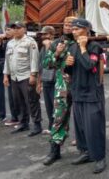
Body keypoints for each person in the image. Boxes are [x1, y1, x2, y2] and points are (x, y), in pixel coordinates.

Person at [66, 18, 106, 174]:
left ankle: (99, 157)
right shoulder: (72, 47)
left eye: (77, 29)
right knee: (81, 127)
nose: (73, 31)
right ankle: (85, 153)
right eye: (73, 29)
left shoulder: (94, 46)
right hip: (77, 91)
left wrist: (83, 48)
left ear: (86, 30)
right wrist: (67, 65)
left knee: (94, 127)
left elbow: (89, 65)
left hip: (91, 93)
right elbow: (70, 71)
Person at [42, 16, 76, 166]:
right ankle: (54, 151)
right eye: (66, 23)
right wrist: (56, 53)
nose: (68, 26)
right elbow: (46, 64)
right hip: (62, 87)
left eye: (72, 24)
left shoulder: (82, 41)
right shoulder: (57, 43)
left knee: (83, 119)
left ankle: (86, 149)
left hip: (80, 86)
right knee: (58, 118)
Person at [3, 21, 41, 135]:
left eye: (19, 28)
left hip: (26, 76)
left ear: (24, 29)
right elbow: (7, 60)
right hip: (14, 77)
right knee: (18, 101)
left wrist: (33, 75)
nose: (16, 30)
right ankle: (23, 123)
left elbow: (35, 59)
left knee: (31, 101)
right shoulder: (10, 43)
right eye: (14, 28)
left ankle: (37, 124)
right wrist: (6, 75)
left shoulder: (30, 42)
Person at [37, 26, 56, 134]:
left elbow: (52, 62)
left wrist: (49, 46)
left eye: (46, 34)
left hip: (55, 80)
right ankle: (50, 126)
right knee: (48, 106)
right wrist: (39, 82)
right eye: (42, 34)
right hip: (46, 79)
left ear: (52, 34)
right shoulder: (43, 47)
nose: (43, 36)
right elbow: (41, 66)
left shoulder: (56, 45)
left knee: (55, 106)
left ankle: (57, 127)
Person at [0, 25, 19, 127]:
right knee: (11, 97)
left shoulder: (20, 42)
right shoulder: (7, 42)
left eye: (9, 30)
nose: (6, 32)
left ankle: (20, 118)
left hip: (20, 73)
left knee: (18, 97)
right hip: (9, 72)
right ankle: (15, 117)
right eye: (6, 30)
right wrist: (5, 75)